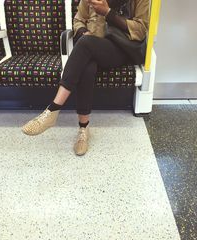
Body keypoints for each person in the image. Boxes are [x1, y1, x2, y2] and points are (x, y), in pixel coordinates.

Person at [21, 0, 150, 156]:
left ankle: (53, 109)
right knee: (87, 67)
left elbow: (141, 29)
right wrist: (83, 31)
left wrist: (108, 12)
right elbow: (78, 20)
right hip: (93, 46)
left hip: (121, 49)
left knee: (85, 44)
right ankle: (83, 129)